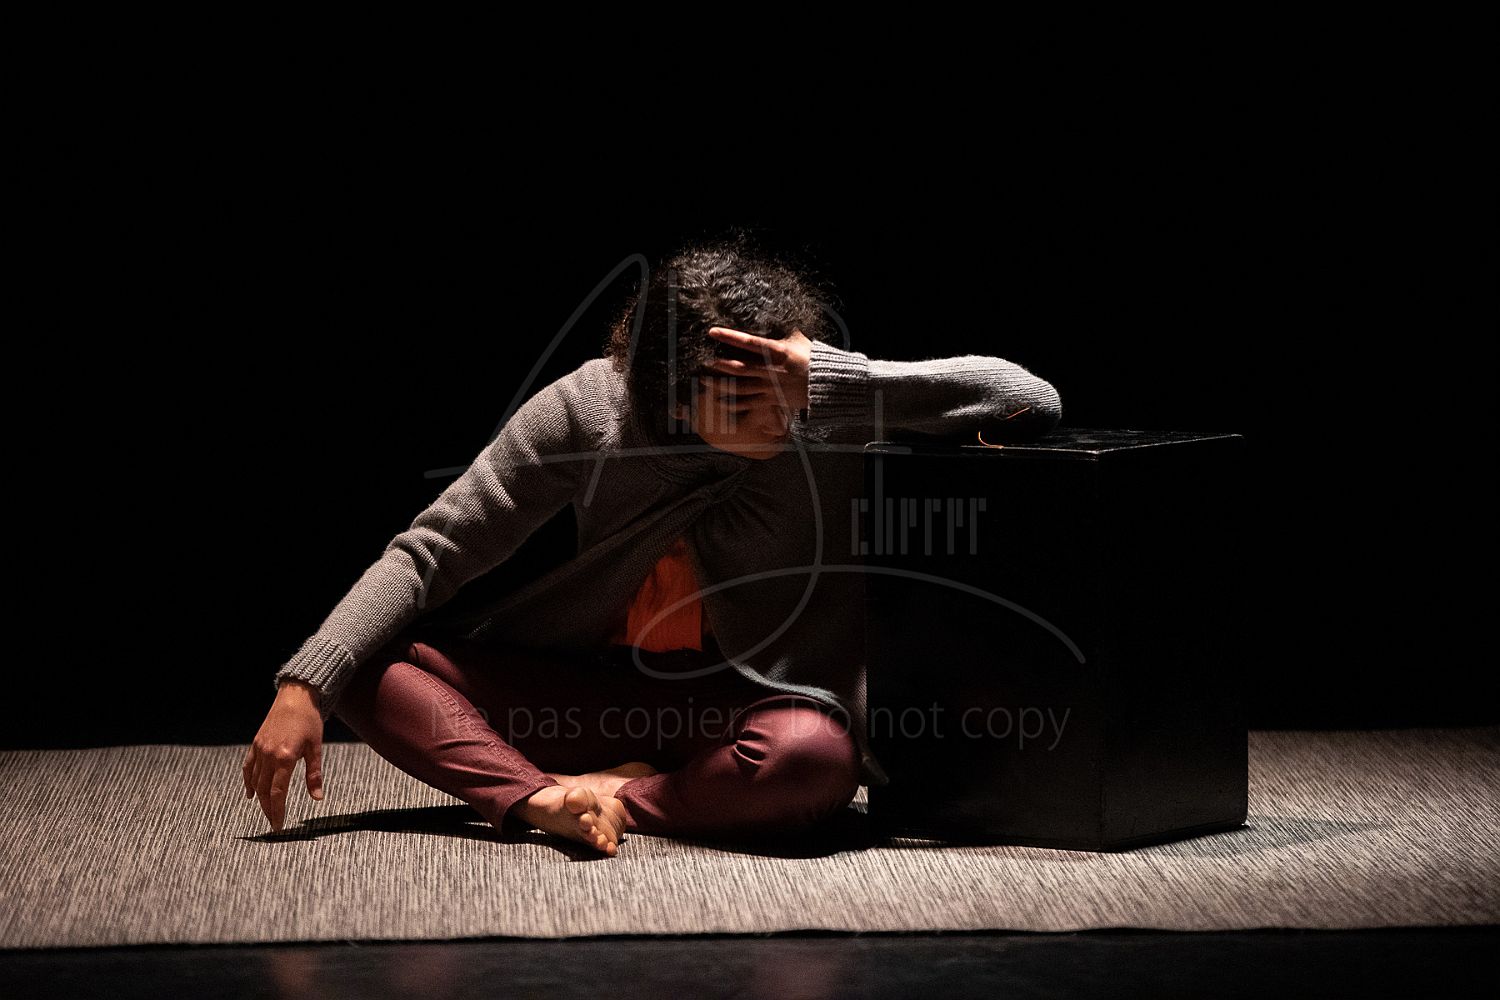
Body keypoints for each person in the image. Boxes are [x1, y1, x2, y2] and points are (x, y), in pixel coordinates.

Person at [242, 234, 1063, 856]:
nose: (774, 417)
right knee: (364, 666)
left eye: (779, 390)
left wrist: (826, 379)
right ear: (671, 396)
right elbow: (432, 553)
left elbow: (1028, 397)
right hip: (585, 697)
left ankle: (623, 800)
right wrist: (304, 682)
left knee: (814, 757)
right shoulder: (588, 412)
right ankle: (542, 802)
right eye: (740, 402)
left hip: (741, 709)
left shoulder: (821, 405)